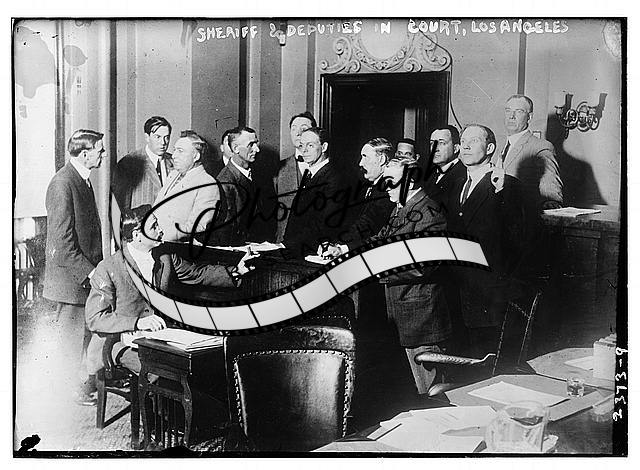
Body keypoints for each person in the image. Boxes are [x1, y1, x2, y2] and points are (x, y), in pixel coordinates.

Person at [85, 206, 253, 377]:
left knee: (198, 364)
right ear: (137, 235)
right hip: (119, 342)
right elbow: (95, 318)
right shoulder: (108, 268)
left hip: (156, 338)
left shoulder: (165, 258)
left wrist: (236, 271)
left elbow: (197, 273)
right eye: (154, 226)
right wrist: (137, 323)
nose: (161, 230)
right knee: (161, 372)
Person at [446, 124, 527, 356]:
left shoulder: (506, 185)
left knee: (484, 361)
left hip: (488, 295)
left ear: (490, 148)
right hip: (458, 292)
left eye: (473, 141)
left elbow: (516, 240)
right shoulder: (457, 185)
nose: (465, 146)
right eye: (463, 141)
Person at [374, 156, 451, 394]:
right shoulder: (403, 207)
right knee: (417, 392)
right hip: (405, 316)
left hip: (421, 320)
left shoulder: (429, 212)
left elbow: (423, 265)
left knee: (432, 393)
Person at [43, 129, 105, 405]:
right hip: (71, 279)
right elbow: (62, 242)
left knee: (81, 337)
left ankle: (77, 385)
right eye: (99, 150)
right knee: (70, 340)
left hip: (81, 275)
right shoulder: (63, 183)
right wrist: (90, 273)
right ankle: (64, 392)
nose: (103, 154)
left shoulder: (82, 179)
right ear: (85, 154)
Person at [319, 138, 395, 256]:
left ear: (382, 160)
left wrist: (338, 244)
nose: (360, 163)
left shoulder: (388, 190)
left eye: (365, 157)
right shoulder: (368, 186)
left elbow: (367, 224)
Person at [282, 127, 346, 257]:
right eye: (301, 145)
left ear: (324, 147)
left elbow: (324, 222)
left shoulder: (334, 177)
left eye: (310, 145)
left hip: (314, 251)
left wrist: (289, 244)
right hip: (297, 249)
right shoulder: (310, 174)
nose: (304, 150)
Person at [153, 130, 222, 242]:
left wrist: (159, 236)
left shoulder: (208, 184)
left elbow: (198, 226)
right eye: (174, 150)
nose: (174, 156)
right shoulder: (173, 175)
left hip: (173, 246)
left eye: (180, 151)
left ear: (196, 156)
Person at [497, 94, 563, 211]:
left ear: (529, 117)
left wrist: (550, 202)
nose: (511, 116)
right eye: (508, 111)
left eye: (519, 111)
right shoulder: (498, 145)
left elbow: (550, 192)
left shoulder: (540, 147)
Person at [216, 126, 271, 244]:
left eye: (256, 143)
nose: (257, 149)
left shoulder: (258, 174)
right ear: (236, 148)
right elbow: (227, 232)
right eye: (251, 145)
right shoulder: (225, 181)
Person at [112, 116, 173, 212]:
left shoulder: (174, 162)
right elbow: (121, 206)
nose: (163, 142)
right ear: (147, 137)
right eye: (158, 137)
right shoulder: (129, 163)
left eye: (167, 137)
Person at [275, 111, 317, 241]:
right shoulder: (278, 169)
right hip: (283, 242)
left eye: (303, 129)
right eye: (294, 129)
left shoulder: (328, 169)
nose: (298, 133)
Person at [422, 125, 466, 207]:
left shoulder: (463, 176)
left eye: (442, 143)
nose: (435, 148)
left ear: (456, 148)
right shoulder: (429, 174)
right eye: (432, 143)